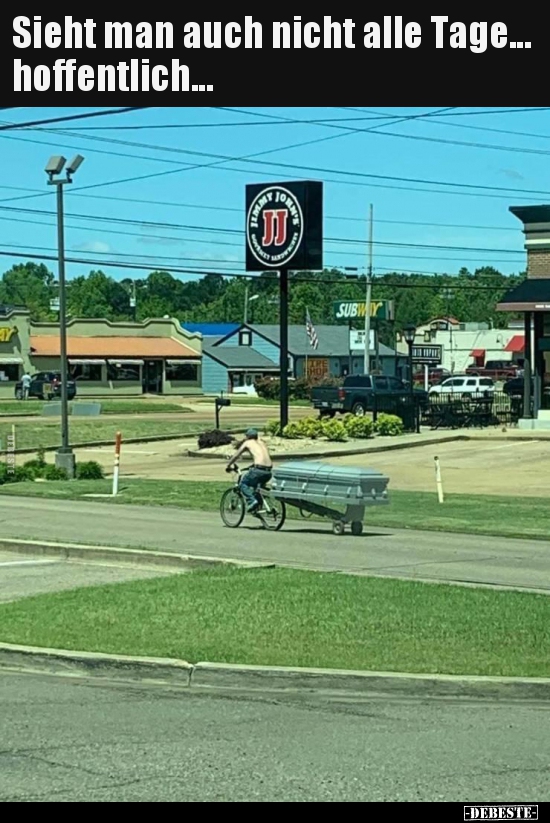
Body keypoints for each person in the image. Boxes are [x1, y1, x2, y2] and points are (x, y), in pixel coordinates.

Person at [226, 428, 273, 513]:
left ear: (247, 436)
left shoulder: (248, 443)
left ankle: (252, 501)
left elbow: (236, 455)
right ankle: (259, 507)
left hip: (258, 470)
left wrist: (229, 465)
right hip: (268, 471)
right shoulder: (262, 443)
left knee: (243, 484)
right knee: (257, 488)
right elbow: (262, 458)